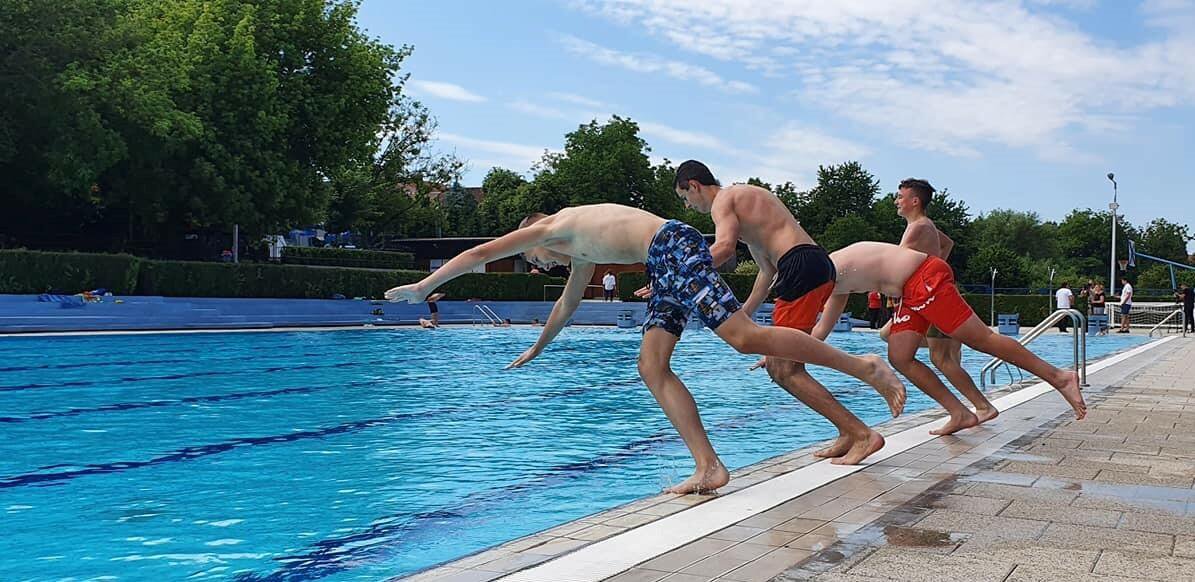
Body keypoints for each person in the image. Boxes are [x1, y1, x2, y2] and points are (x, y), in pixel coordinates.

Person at [384, 203, 903, 493]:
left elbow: (478, 253)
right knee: (651, 366)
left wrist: (424, 288)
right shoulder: (579, 252)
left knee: (744, 338)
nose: (542, 266)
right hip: (662, 264)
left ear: (529, 238)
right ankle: (709, 467)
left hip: (674, 245)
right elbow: (566, 307)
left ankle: (863, 364)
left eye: (536, 260)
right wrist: (537, 347)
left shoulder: (552, 228)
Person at [670, 160, 901, 465]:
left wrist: (678, 274)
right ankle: (848, 431)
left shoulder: (724, 200)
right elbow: (766, 274)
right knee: (785, 365)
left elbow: (723, 248)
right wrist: (743, 319)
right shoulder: (747, 212)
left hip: (800, 265)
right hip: (812, 265)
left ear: (694, 186)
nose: (688, 206)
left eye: (685, 198)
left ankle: (862, 419)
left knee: (783, 370)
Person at [815, 241, 1086, 432]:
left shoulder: (834, 266)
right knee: (899, 356)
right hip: (909, 292)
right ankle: (960, 413)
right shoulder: (834, 280)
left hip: (923, 279)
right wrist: (784, 349)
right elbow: (821, 329)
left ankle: (1059, 377)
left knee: (980, 339)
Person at [890, 177, 998, 429]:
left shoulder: (917, 228)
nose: (897, 201)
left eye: (900, 196)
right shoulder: (927, 225)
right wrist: (936, 264)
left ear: (914, 201)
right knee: (893, 337)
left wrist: (926, 274)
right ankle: (974, 405)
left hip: (932, 296)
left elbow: (895, 263)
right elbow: (948, 243)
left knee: (942, 359)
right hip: (931, 293)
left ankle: (982, 407)